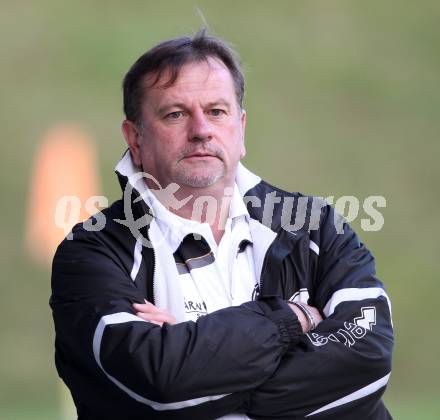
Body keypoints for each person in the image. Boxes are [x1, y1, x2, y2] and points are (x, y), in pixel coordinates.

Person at [50, 29, 394, 419]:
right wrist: (293, 320)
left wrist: (196, 359)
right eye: (175, 114)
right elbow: (161, 390)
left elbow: (369, 357)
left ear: (240, 129)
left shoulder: (317, 227)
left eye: (216, 111)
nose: (201, 130)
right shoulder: (92, 253)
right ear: (135, 138)